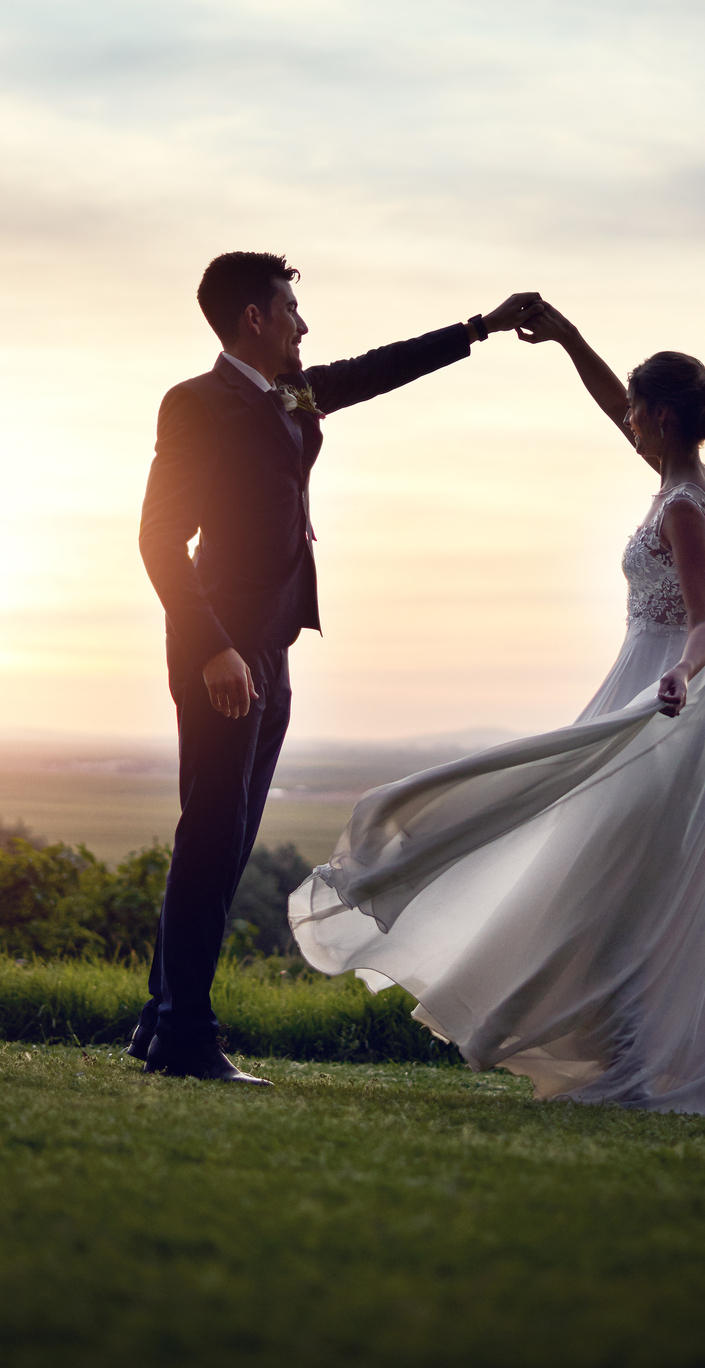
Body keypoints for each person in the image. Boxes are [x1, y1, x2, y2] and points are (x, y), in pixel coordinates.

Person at [288, 302, 705, 1118]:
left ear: (662, 418)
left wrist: (679, 676)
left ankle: (630, 1068)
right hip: (648, 692)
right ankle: (623, 1062)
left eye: (637, 414)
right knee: (616, 882)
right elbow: (614, 406)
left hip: (664, 707)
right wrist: (567, 338)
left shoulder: (687, 503)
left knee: (621, 883)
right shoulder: (686, 480)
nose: (626, 423)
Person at [134, 250, 542, 1082]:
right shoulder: (196, 402)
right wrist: (213, 647)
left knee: (223, 843)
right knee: (210, 839)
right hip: (222, 652)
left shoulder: (290, 393)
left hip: (272, 646)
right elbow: (159, 538)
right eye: (291, 309)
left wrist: (478, 328)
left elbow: (373, 371)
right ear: (254, 317)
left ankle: (160, 1021)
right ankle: (183, 1036)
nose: (304, 324)